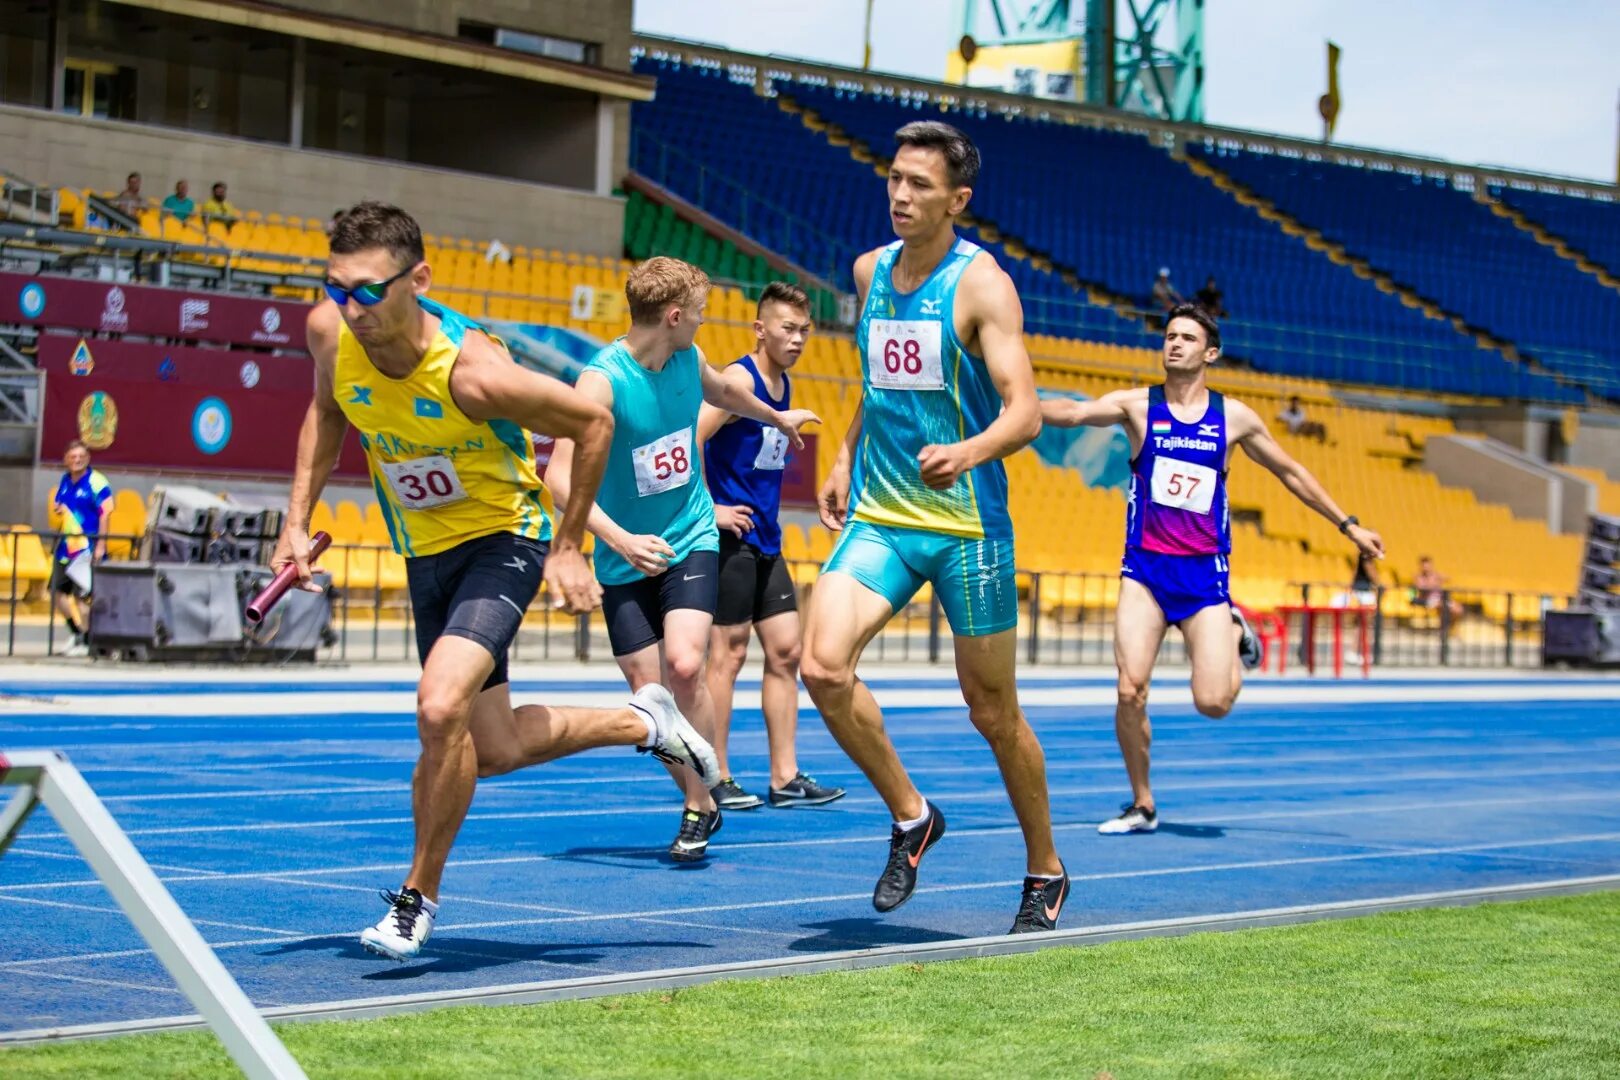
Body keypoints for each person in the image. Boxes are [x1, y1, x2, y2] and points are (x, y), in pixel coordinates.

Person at [270, 203, 720, 962]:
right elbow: (326, 413)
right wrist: (295, 520)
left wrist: (571, 547)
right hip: (425, 552)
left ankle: (416, 899)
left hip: (503, 540)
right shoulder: (330, 334)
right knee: (496, 744)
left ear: (420, 280)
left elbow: (592, 426)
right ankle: (646, 722)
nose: (352, 309)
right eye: (337, 288)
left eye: (369, 292)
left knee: (438, 706)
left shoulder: (473, 371)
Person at [801, 121, 1069, 935]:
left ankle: (1045, 868)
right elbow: (880, 385)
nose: (901, 194)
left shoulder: (982, 285)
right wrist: (846, 452)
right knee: (821, 667)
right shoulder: (867, 271)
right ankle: (913, 815)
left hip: (966, 526)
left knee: (992, 713)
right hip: (884, 513)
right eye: (894, 178)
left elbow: (1024, 413)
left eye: (919, 184)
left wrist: (970, 448)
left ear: (958, 200)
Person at [1041, 304, 1384, 835]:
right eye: (1169, 335)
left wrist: (1349, 526)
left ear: (1211, 352)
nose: (1174, 344)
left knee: (1214, 703)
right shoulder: (1136, 406)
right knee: (1130, 689)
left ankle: (1233, 626)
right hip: (1145, 574)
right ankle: (1143, 803)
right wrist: (1016, 399)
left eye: (1187, 337)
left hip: (1205, 581)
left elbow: (1290, 472)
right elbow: (1070, 412)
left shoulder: (1235, 417)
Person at [544, 257, 819, 862]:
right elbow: (558, 478)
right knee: (651, 697)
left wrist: (778, 418)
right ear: (673, 317)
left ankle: (700, 798)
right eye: (699, 314)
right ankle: (701, 800)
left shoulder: (689, 360)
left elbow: (725, 392)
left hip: (690, 532)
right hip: (625, 557)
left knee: (686, 662)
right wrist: (619, 540)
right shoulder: (600, 384)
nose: (703, 323)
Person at [698, 281, 846, 811]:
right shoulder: (739, 378)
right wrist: (708, 509)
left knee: (786, 652)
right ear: (760, 329)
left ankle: (784, 777)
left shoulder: (782, 386)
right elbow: (689, 439)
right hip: (728, 538)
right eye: (788, 328)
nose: (799, 338)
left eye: (805, 330)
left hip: (766, 539)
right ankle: (715, 775)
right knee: (728, 655)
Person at [48, 440, 112, 657]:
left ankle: (86, 640)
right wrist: (60, 509)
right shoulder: (65, 480)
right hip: (66, 547)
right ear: (66, 459)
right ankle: (75, 633)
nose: (76, 461)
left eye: (80, 457)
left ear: (87, 458)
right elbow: (60, 504)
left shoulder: (97, 481)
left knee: (81, 597)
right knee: (57, 592)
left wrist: (101, 545)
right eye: (72, 457)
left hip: (87, 548)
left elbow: (105, 513)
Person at [1413, 556, 1463, 626]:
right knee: (1443, 607)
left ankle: (1449, 625)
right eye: (1424, 566)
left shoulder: (1436, 575)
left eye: (1428, 565)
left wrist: (1440, 579)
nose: (1426, 568)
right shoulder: (1419, 577)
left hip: (1441, 600)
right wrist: (1433, 583)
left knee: (1458, 609)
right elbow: (1421, 589)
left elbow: (1448, 578)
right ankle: (1444, 629)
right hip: (1427, 601)